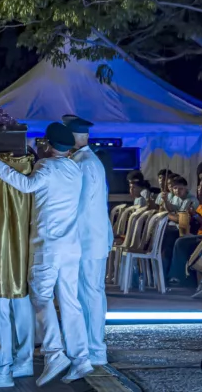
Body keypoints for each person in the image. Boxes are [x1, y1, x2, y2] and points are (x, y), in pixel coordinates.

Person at [0, 122, 91, 386]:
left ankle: (54, 353)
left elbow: (27, 186)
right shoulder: (75, 168)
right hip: (70, 247)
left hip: (47, 247)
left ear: (49, 145)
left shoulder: (46, 167)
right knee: (70, 302)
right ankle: (81, 357)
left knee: (40, 298)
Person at [62, 114, 112, 369]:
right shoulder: (87, 160)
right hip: (91, 238)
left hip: (87, 240)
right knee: (88, 294)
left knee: (89, 294)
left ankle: (95, 348)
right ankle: (88, 347)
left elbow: (77, 206)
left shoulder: (84, 163)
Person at [167, 180, 202, 287]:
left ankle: (177, 276)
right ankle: (180, 276)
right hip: (199, 233)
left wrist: (195, 215)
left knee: (180, 242)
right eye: (198, 187)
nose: (198, 190)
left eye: (201, 188)